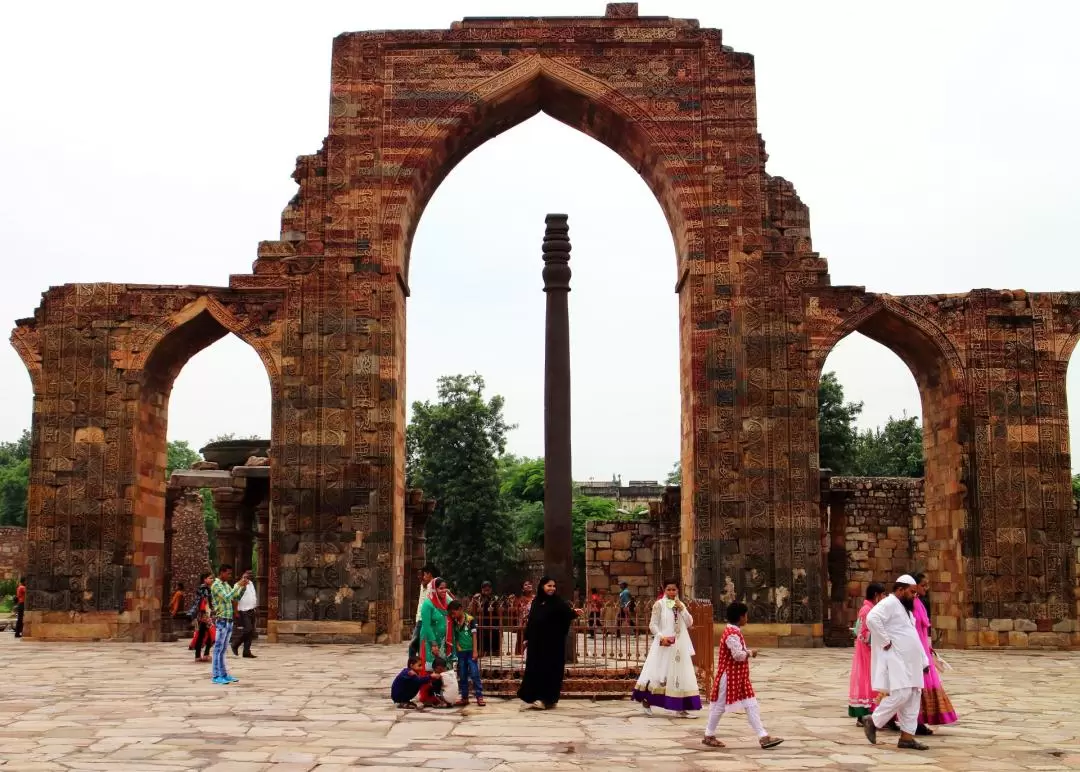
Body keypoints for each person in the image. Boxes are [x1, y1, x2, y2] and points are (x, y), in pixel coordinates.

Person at [702, 602, 784, 750]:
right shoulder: (731, 634)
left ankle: (763, 736)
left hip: (739, 676)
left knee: (751, 704)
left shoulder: (734, 631)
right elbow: (738, 655)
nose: (747, 618)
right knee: (719, 706)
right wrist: (750, 653)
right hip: (729, 676)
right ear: (740, 617)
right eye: (745, 615)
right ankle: (709, 734)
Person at [863, 574, 931, 751]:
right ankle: (873, 720)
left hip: (912, 661)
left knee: (913, 696)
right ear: (900, 590)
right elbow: (872, 618)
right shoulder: (890, 603)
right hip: (897, 658)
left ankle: (907, 737)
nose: (915, 596)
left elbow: (912, 635)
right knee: (901, 694)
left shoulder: (905, 608)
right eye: (912, 592)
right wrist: (885, 640)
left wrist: (924, 660)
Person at [632, 580, 701, 718]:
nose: (671, 592)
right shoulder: (659, 605)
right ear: (664, 590)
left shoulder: (680, 605)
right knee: (659, 674)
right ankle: (647, 701)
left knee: (680, 675)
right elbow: (653, 625)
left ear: (678, 591)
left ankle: (681, 707)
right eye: (669, 589)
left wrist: (682, 608)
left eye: (674, 590)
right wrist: (660, 636)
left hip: (679, 645)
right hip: (665, 644)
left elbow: (689, 622)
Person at [517, 575, 583, 710]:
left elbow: (566, 614)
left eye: (553, 586)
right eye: (549, 586)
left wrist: (574, 613)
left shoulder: (557, 602)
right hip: (536, 644)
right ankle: (533, 696)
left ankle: (546, 699)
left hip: (552, 645)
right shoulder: (536, 602)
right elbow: (531, 621)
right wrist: (526, 638)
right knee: (535, 669)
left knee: (550, 671)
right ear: (542, 586)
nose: (552, 588)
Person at [911, 572, 957, 732]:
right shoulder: (909, 604)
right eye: (923, 585)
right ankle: (916, 721)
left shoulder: (918, 603)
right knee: (918, 686)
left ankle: (917, 720)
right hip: (915, 650)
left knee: (920, 685)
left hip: (923, 648)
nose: (926, 588)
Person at [849, 582, 885, 725]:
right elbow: (863, 633)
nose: (884, 597)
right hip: (867, 652)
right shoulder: (867, 610)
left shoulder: (871, 609)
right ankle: (864, 714)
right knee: (867, 681)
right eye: (882, 595)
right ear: (876, 595)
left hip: (871, 651)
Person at [209, 564, 250, 685]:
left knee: (223, 649)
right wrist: (237, 585)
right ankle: (216, 675)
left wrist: (242, 588)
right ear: (221, 572)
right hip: (221, 619)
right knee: (218, 648)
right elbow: (227, 597)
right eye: (228, 573)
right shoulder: (216, 585)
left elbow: (235, 597)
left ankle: (224, 674)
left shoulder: (226, 585)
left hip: (228, 619)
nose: (229, 576)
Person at [449, 599, 485, 706]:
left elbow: (474, 636)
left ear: (460, 609)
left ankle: (479, 696)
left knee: (475, 673)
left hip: (470, 652)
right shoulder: (454, 621)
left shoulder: (470, 620)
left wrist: (475, 651)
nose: (452, 615)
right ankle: (465, 697)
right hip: (461, 652)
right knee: (463, 675)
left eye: (454, 612)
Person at [409, 565, 437, 660]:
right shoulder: (423, 585)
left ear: (429, 574)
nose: (420, 577)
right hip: (420, 618)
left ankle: (413, 665)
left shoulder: (433, 586)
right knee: (418, 645)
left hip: (425, 619)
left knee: (414, 645)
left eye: (423, 575)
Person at [231, 570, 258, 658]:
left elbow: (252, 596)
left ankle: (246, 651)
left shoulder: (251, 584)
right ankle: (235, 644)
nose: (247, 578)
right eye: (246, 576)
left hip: (251, 610)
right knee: (248, 629)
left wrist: (255, 606)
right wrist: (235, 611)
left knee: (250, 632)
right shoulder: (238, 585)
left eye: (249, 576)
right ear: (242, 576)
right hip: (243, 610)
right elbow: (234, 598)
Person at [470, 581, 501, 657]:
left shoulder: (494, 598)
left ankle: (493, 656)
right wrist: (477, 610)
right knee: (481, 640)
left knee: (493, 640)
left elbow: (499, 612)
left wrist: (496, 609)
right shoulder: (477, 597)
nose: (487, 590)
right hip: (481, 622)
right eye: (485, 589)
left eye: (488, 589)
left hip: (493, 623)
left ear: (491, 589)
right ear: (482, 589)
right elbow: (471, 611)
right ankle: (480, 654)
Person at [188, 572, 214, 662]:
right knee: (208, 634)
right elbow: (205, 601)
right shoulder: (204, 588)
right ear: (205, 579)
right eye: (210, 578)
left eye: (212, 578)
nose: (212, 580)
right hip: (203, 615)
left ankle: (199, 655)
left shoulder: (205, 588)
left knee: (203, 634)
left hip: (204, 614)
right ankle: (203, 654)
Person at [514, 580, 535, 655]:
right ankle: (520, 655)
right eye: (526, 585)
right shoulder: (519, 600)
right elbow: (516, 611)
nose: (528, 585)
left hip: (534, 623)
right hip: (523, 623)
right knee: (521, 640)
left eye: (530, 584)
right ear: (523, 589)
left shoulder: (536, 598)